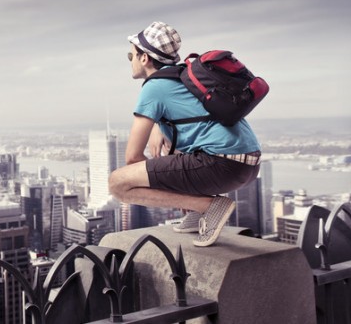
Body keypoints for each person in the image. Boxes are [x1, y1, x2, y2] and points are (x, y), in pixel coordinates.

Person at [108, 21, 262, 247]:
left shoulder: (154, 87)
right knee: (170, 159)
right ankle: (199, 208)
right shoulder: (183, 79)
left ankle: (207, 207)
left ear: (144, 58)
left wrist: (174, 191)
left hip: (221, 165)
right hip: (247, 165)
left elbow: (132, 157)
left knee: (118, 184)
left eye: (131, 56)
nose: (130, 61)